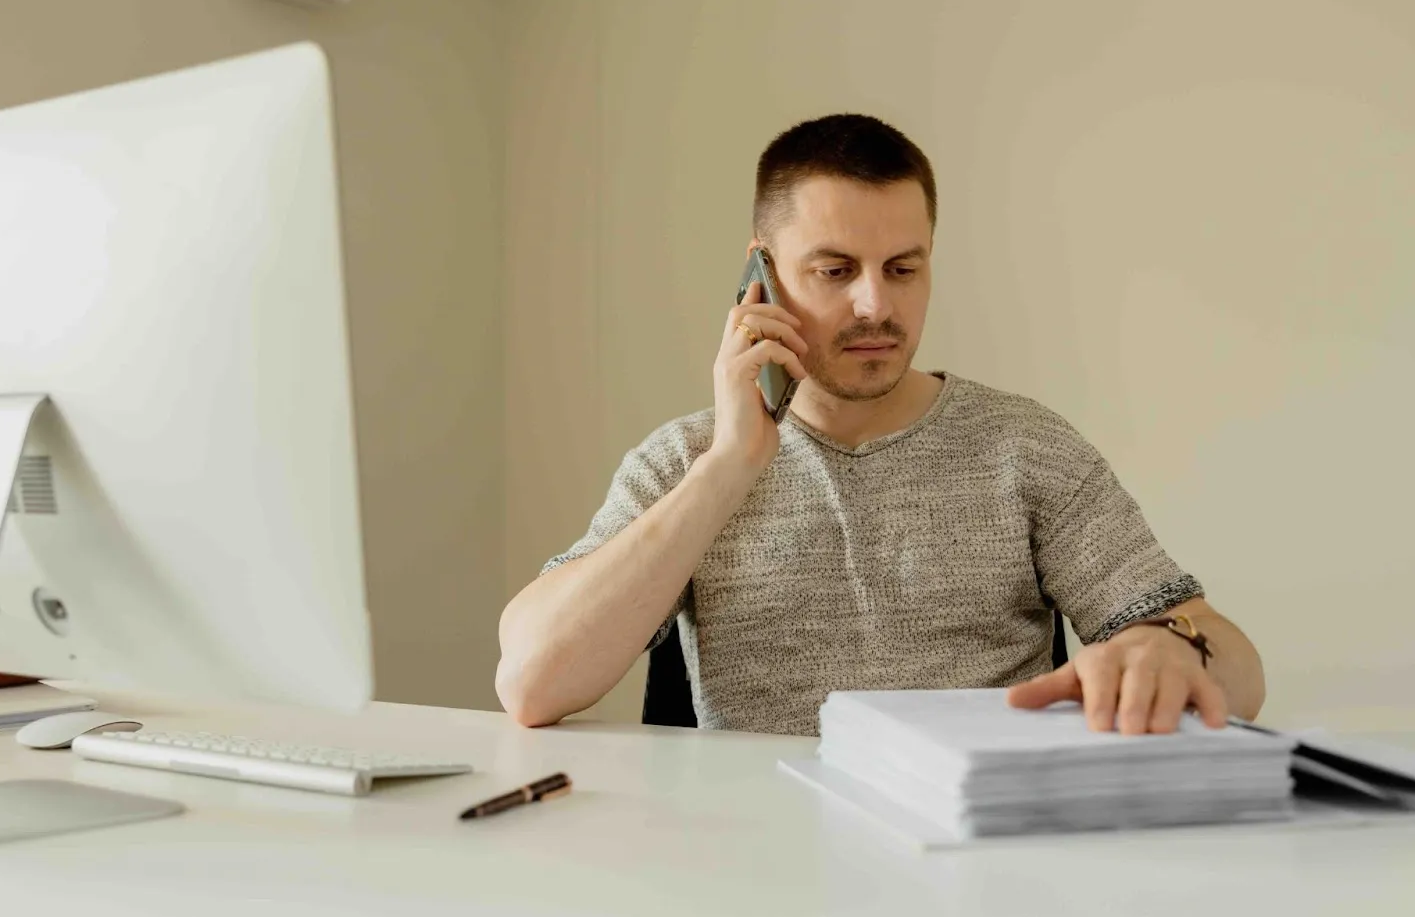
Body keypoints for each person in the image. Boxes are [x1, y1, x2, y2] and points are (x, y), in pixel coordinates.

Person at [497, 114, 1264, 737]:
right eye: (835, 272)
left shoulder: (1024, 448)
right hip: (758, 867)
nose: (876, 306)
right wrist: (730, 464)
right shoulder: (686, 459)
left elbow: (1237, 669)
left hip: (976, 858)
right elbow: (532, 684)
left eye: (904, 268)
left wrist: (1166, 649)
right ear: (759, 275)